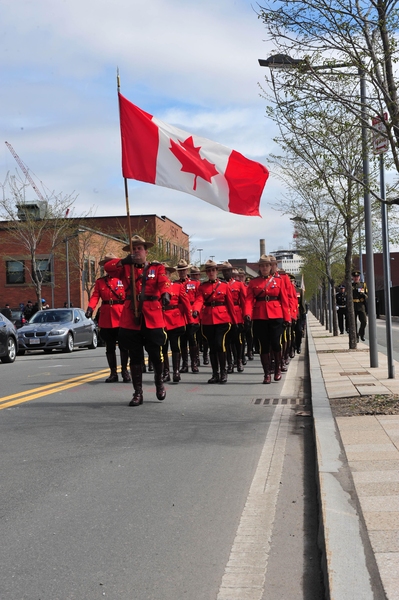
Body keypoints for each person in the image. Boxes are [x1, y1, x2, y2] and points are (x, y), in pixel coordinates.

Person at [104, 234, 171, 406]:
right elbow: (108, 267)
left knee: (156, 355)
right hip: (131, 316)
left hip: (152, 316)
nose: (136, 251)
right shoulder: (125, 268)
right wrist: (123, 261)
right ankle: (138, 393)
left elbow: (164, 282)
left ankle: (159, 384)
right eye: (133, 248)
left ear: (145, 251)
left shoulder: (157, 268)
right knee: (135, 357)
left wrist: (165, 294)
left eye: (139, 248)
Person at [85, 253, 131, 384]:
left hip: (121, 315)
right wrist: (90, 308)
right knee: (109, 347)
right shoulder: (101, 281)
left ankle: (125, 371)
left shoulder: (123, 279)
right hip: (106, 317)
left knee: (123, 346)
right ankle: (113, 373)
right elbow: (95, 296)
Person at [244, 255, 290, 384]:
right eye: (262, 266)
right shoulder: (254, 282)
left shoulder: (279, 281)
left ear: (271, 267)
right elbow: (248, 300)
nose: (264, 268)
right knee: (263, 346)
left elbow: (284, 301)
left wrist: (287, 317)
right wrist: (247, 313)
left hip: (276, 315)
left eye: (267, 265)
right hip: (260, 316)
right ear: (259, 267)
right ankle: (266, 373)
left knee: (275, 343)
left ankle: (277, 369)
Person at [192, 259, 237, 384]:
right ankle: (215, 373)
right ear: (206, 273)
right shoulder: (203, 287)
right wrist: (195, 310)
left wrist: (235, 322)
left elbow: (230, 305)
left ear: (217, 271)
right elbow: (199, 300)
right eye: (209, 270)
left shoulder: (224, 286)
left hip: (222, 319)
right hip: (208, 320)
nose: (211, 272)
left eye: (213, 270)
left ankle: (223, 372)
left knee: (219, 343)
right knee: (212, 347)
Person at [162, 265, 194, 383]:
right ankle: (166, 372)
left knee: (175, 346)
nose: (164, 275)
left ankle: (176, 371)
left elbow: (186, 304)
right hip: (161, 320)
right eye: (162, 273)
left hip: (175, 320)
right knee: (163, 348)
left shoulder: (177, 286)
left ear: (169, 274)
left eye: (166, 273)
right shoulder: (156, 288)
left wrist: (190, 321)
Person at [219, 261, 246, 373]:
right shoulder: (219, 284)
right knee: (227, 342)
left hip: (237, 314)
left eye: (228, 271)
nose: (226, 273)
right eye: (224, 271)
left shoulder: (239, 284)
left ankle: (238, 360)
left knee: (237, 340)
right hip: (224, 315)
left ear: (231, 271)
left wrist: (245, 317)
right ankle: (229, 363)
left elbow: (244, 302)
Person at [175, 259, 200, 373]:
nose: (182, 272)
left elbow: (199, 299)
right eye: (180, 271)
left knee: (192, 339)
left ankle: (194, 363)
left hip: (191, 313)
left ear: (187, 270)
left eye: (184, 270)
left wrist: (195, 310)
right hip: (180, 315)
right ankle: (185, 364)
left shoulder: (195, 283)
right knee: (183, 340)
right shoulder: (175, 284)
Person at [352, 270, 368, 341]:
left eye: (357, 276)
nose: (356, 278)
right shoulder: (350, 285)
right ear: (353, 277)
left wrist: (363, 295)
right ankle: (356, 337)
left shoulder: (363, 285)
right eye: (354, 277)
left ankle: (361, 334)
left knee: (364, 322)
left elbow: (367, 295)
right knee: (353, 323)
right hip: (353, 306)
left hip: (361, 306)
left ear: (359, 277)